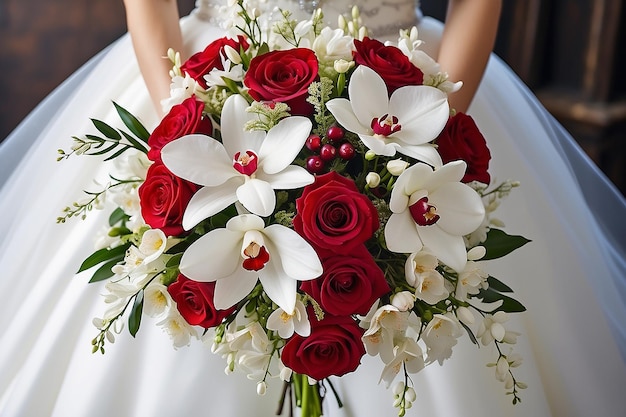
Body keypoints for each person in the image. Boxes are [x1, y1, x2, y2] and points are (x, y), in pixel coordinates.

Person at [0, 1, 625, 416]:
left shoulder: (418, 113)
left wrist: (428, 128)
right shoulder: (201, 111)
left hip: (400, 89)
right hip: (211, 82)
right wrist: (190, 131)